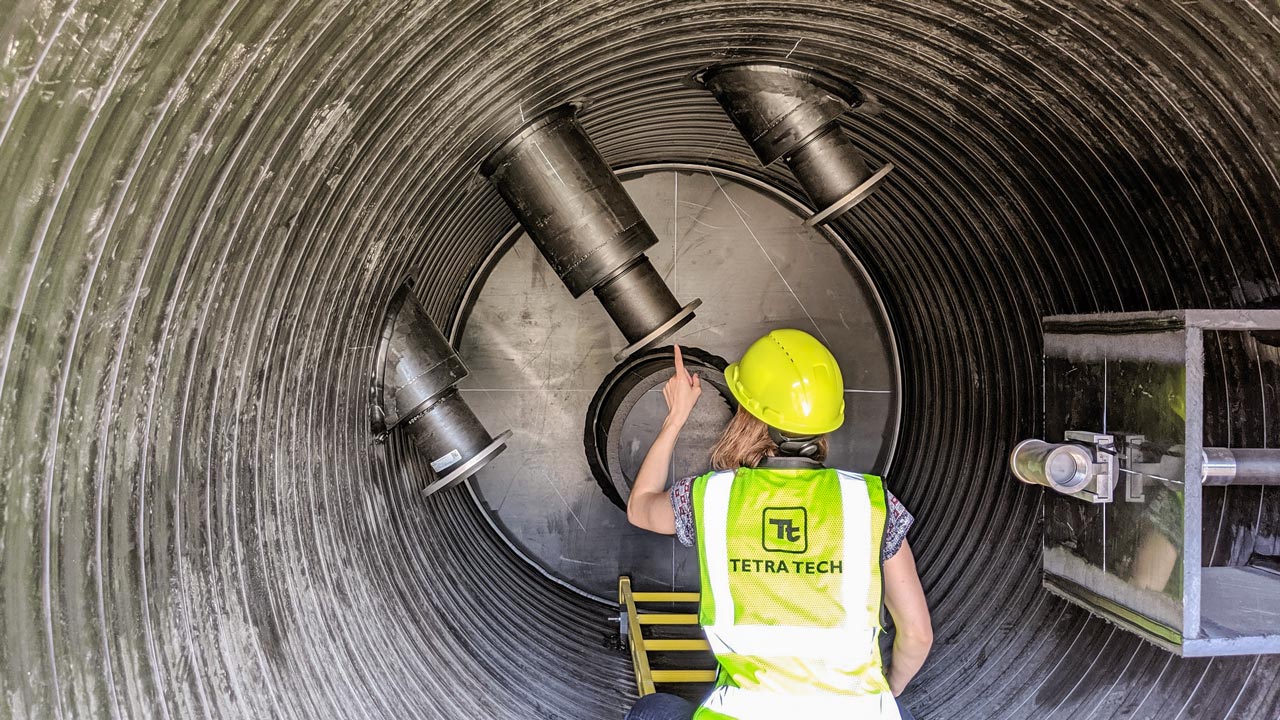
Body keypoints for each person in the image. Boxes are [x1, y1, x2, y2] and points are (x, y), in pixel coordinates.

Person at [624, 331, 933, 720]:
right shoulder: (869, 504)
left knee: (654, 710)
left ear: (751, 417)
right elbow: (918, 635)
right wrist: (887, 694)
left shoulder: (712, 498)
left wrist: (676, 418)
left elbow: (640, 508)